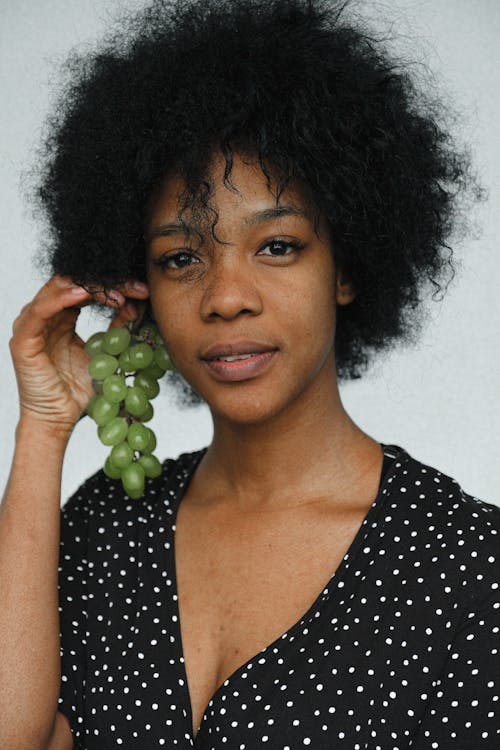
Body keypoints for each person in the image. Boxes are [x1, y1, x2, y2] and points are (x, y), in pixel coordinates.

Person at [1, 0, 498, 748]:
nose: (227, 297)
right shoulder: (107, 528)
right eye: (181, 258)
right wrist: (43, 429)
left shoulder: (466, 568)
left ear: (347, 268)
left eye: (277, 246)